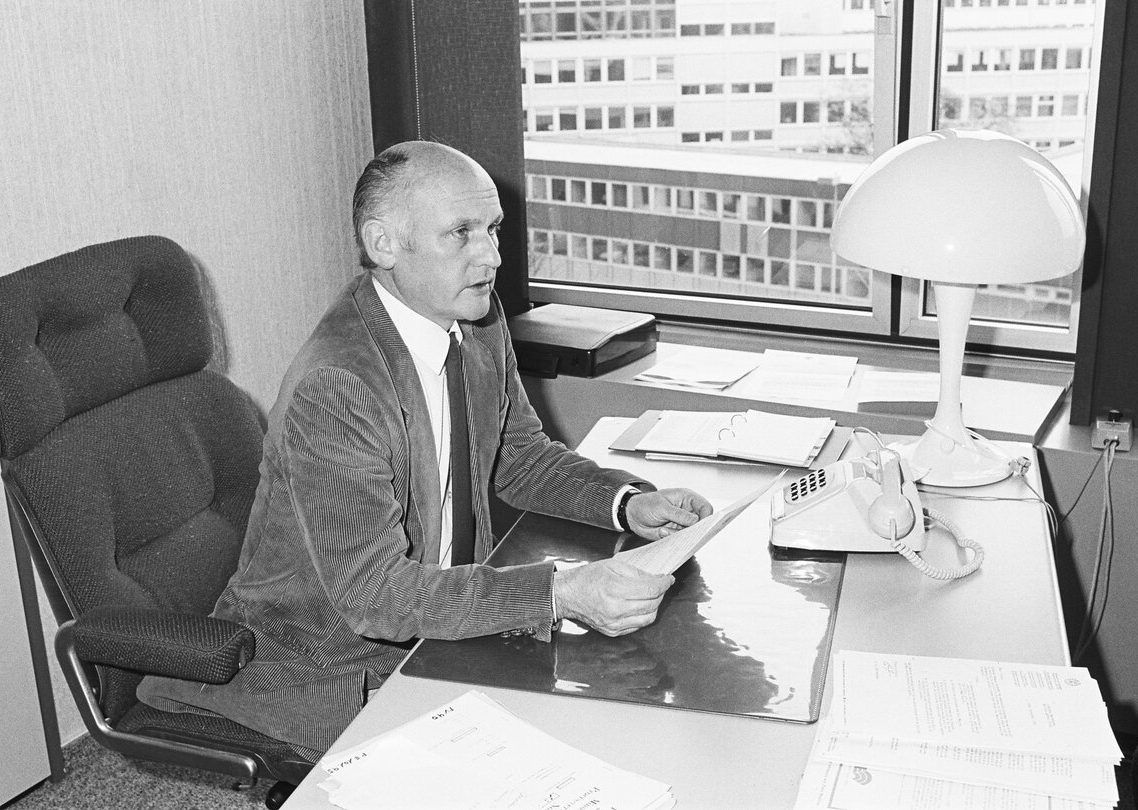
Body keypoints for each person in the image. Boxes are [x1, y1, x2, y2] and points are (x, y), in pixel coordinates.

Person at [138, 140, 713, 760]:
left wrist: (625, 504)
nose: (490, 256)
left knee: (643, 706)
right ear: (384, 244)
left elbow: (517, 456)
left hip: (446, 611)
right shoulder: (338, 386)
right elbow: (375, 597)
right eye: (460, 234)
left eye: (492, 229)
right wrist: (558, 591)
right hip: (332, 661)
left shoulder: (478, 320)